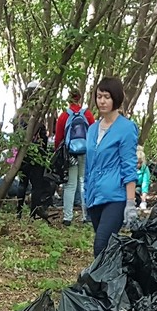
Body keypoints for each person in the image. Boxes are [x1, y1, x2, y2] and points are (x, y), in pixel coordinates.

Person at [83, 76, 139, 257]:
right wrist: (85, 194)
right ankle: (114, 281)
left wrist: (130, 204)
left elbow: (128, 166)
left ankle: (102, 284)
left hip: (115, 196)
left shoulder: (126, 128)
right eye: (99, 96)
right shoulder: (92, 129)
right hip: (94, 196)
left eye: (106, 96)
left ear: (115, 98)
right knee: (106, 251)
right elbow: (89, 164)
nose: (102, 101)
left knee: (101, 246)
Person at [55, 89, 94, 226]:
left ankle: (67, 218)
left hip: (70, 153)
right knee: (84, 182)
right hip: (85, 152)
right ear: (80, 99)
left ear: (69, 99)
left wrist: (58, 153)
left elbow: (59, 138)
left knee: (70, 184)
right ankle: (86, 216)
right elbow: (93, 133)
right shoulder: (87, 115)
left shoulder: (64, 116)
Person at [15, 83, 53, 220]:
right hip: (37, 154)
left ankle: (18, 213)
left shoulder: (20, 113)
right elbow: (44, 136)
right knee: (36, 186)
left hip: (23, 154)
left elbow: (16, 134)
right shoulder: (39, 114)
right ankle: (32, 216)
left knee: (22, 183)